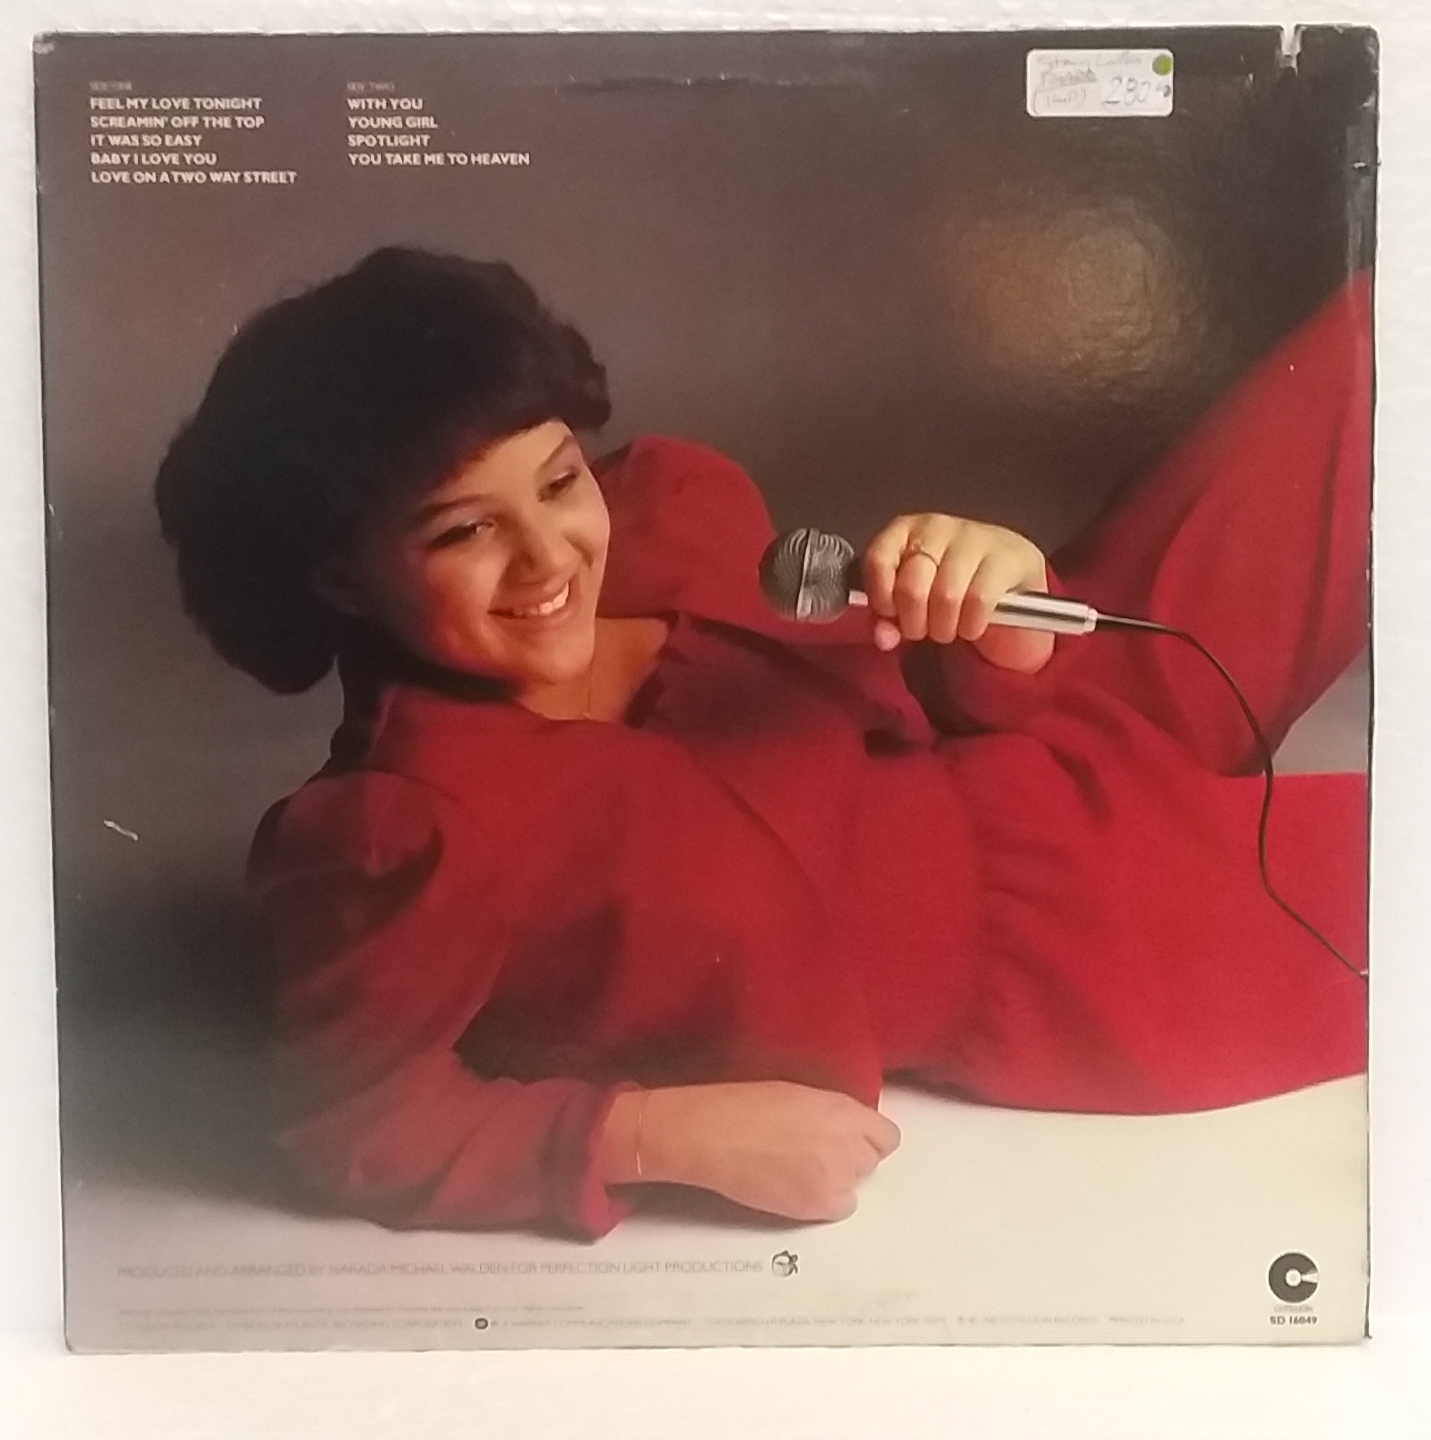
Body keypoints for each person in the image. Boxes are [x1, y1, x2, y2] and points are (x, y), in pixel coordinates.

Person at [154, 247, 1370, 1238]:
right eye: (464, 531)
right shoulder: (400, 825)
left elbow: (902, 697)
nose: (549, 557)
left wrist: (995, 614)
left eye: (559, 481)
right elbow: (354, 1117)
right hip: (1093, 939)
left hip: (1067, 699)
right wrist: (650, 1135)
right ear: (341, 577)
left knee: (1375, 343)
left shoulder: (669, 512)